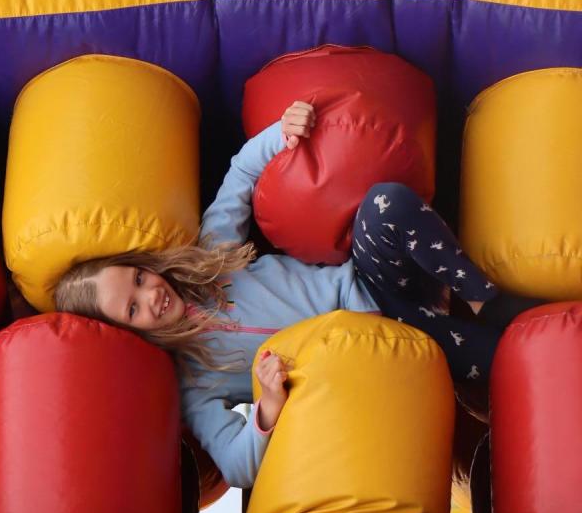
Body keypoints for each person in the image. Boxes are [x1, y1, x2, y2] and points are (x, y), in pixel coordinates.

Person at [54, 102, 502, 488]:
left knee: (385, 204)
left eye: (138, 279)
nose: (151, 295)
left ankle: (483, 298)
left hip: (373, 285)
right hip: (382, 350)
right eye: (133, 308)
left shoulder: (211, 259)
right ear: (131, 336)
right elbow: (236, 466)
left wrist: (280, 133)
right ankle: (469, 356)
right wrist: (268, 405)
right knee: (490, 356)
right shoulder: (197, 383)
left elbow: (241, 174)